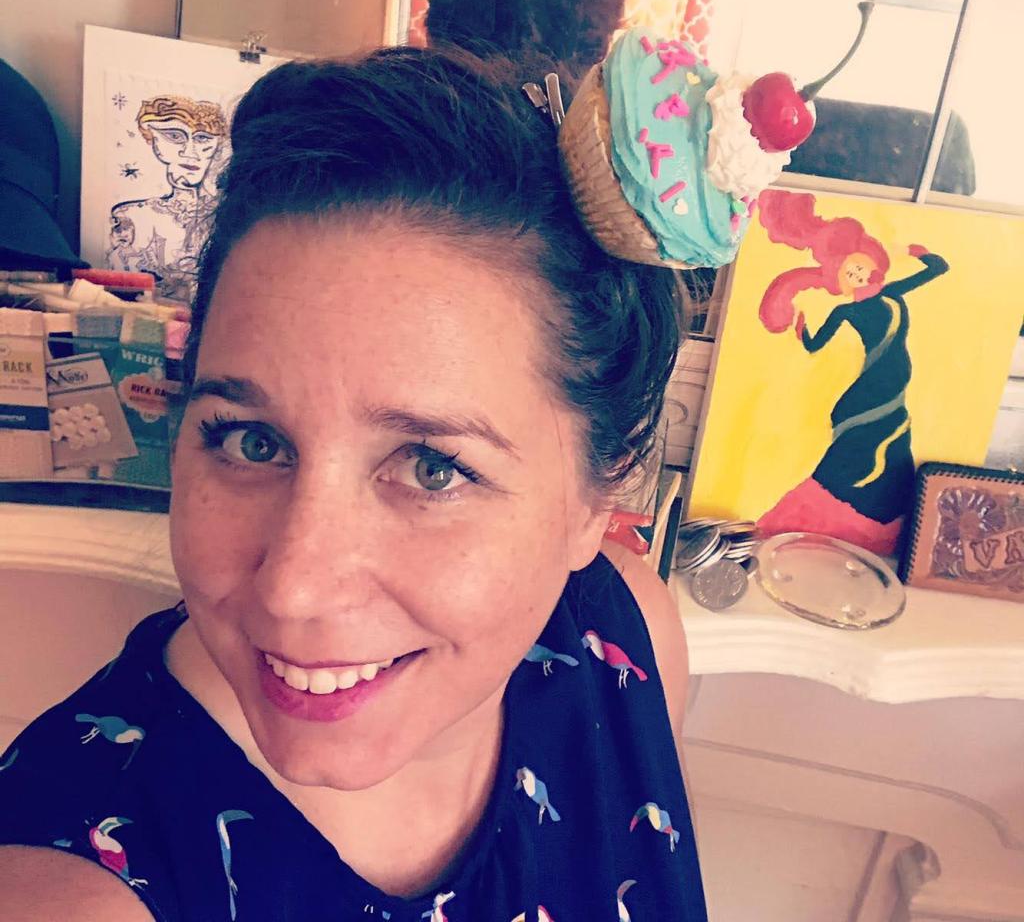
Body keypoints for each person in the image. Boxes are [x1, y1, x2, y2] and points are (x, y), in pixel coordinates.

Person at [0, 47, 706, 920]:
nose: (293, 589)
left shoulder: (627, 643)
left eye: (431, 467)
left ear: (597, 501)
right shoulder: (72, 895)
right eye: (252, 441)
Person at [756, 189, 950, 554]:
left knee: (891, 437)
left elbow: (939, 269)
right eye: (850, 272)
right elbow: (815, 345)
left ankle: (886, 512)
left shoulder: (892, 293)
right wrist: (801, 328)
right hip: (871, 385)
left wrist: (917, 252)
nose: (857, 274)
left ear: (872, 265)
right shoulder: (845, 311)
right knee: (870, 435)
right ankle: (838, 502)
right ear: (841, 277)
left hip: (893, 381)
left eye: (860, 267)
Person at [108, 95, 228, 302]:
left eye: (203, 139)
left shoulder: (229, 216)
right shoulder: (133, 216)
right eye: (174, 136)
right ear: (152, 138)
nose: (190, 152)